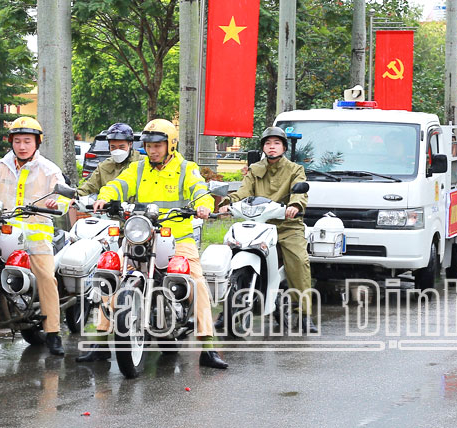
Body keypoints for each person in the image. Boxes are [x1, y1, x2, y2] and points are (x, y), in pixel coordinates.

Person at [93, 119, 228, 369]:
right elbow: (117, 185)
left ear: (170, 145)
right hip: (142, 234)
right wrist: (104, 198)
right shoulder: (138, 168)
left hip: (178, 237)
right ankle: (100, 341)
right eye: (149, 145)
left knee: (197, 282)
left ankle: (208, 347)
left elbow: (200, 190)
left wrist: (203, 206)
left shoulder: (186, 168)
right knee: (113, 275)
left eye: (158, 145)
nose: (152, 150)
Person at [0, 117, 70, 355]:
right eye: (18, 141)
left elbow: (65, 195)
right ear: (11, 143)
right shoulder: (0, 166)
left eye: (27, 141)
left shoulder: (48, 169)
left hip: (35, 235)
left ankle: (53, 333)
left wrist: (56, 201)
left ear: (37, 142)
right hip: (2, 231)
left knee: (47, 277)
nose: (22, 146)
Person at [218, 126, 317, 333]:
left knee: (299, 261)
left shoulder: (294, 169)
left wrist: (295, 206)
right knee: (230, 251)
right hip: (258, 225)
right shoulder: (255, 169)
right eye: (268, 143)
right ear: (263, 147)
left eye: (277, 143)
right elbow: (243, 192)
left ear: (284, 147)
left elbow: (300, 190)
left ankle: (304, 313)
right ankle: (225, 308)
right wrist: (227, 203)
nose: (272, 147)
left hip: (287, 226)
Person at [74, 122, 143, 363]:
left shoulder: (142, 167)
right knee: (106, 279)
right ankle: (101, 341)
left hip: (138, 230)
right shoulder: (104, 167)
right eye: (112, 146)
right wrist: (75, 197)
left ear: (131, 145)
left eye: (121, 146)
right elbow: (88, 188)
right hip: (111, 230)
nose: (116, 150)